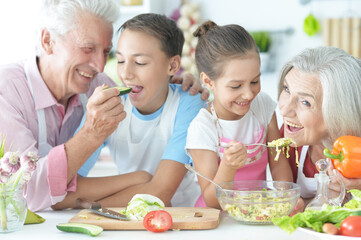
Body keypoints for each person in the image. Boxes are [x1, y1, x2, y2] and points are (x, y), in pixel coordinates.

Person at [0, 0, 206, 212]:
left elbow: (160, 191)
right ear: (48, 41)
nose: (100, 66)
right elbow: (34, 191)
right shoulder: (6, 90)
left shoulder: (101, 87)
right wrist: (139, 179)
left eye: (107, 52)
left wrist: (174, 80)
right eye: (88, 48)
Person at [55, 13, 205, 209]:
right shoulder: (108, 105)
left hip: (179, 216)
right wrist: (138, 179)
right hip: (122, 218)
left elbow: (160, 193)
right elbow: (59, 193)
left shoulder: (189, 103)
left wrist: (92, 206)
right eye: (120, 60)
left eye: (140, 62)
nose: (126, 74)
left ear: (173, 65)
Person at [185, 21, 293, 208]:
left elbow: (279, 163)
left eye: (255, 81)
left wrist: (285, 199)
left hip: (258, 211)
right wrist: (228, 166)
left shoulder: (262, 106)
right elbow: (211, 200)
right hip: (219, 220)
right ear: (208, 81)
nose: (249, 94)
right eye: (236, 86)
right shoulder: (203, 127)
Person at [277, 46, 361, 212]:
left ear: (339, 113)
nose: (284, 110)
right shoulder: (291, 137)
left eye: (305, 102)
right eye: (286, 89)